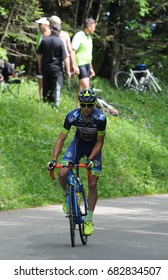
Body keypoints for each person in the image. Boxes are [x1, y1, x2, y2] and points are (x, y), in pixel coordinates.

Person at [47, 88, 107, 236]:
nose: (86, 109)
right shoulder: (72, 116)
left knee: (92, 182)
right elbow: (61, 139)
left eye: (90, 105)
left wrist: (90, 159)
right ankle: (69, 195)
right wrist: (54, 159)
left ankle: (88, 219)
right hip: (78, 145)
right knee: (62, 173)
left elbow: (100, 142)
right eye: (83, 105)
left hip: (93, 148)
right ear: (79, 104)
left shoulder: (100, 119)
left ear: (94, 105)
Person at [36, 23, 71, 108]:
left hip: (46, 68)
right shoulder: (60, 42)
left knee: (46, 88)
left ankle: (45, 105)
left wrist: (40, 65)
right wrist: (68, 71)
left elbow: (39, 54)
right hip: (57, 70)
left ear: (52, 30)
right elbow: (65, 58)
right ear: (59, 32)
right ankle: (55, 107)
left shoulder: (44, 40)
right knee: (56, 88)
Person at [71, 18, 97, 99]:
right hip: (80, 64)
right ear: (88, 27)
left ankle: (79, 106)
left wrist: (91, 67)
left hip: (87, 64)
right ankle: (89, 107)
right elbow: (72, 51)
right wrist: (74, 66)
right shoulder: (79, 36)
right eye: (93, 27)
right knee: (87, 87)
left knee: (81, 88)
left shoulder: (89, 38)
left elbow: (88, 54)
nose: (94, 29)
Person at [35, 17, 51, 100]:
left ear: (46, 25)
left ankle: (47, 98)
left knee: (48, 81)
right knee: (40, 80)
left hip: (48, 61)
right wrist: (39, 63)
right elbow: (38, 51)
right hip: (40, 60)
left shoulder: (51, 34)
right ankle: (41, 97)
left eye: (40, 24)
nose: (39, 26)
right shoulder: (39, 35)